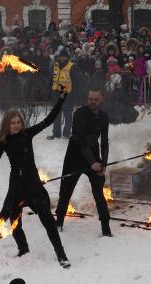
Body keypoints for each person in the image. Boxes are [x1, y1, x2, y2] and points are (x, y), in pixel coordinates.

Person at [0, 91, 71, 269]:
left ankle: (61, 254)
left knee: (48, 222)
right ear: (7, 124)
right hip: (16, 186)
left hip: (33, 184)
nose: (16, 125)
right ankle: (23, 249)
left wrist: (60, 101)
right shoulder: (4, 142)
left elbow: (48, 120)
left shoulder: (27, 134)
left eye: (18, 122)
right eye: (13, 122)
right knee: (15, 221)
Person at [55, 86, 111, 237]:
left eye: (96, 99)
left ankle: (106, 228)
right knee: (66, 190)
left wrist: (103, 163)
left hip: (93, 153)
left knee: (99, 192)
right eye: (90, 99)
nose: (93, 102)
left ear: (101, 99)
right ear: (87, 99)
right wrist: (92, 162)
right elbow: (80, 140)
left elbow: (104, 142)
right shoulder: (79, 113)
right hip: (74, 154)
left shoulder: (104, 117)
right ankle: (59, 222)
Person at [47, 49, 82, 140]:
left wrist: (75, 94)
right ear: (59, 57)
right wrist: (49, 93)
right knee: (56, 115)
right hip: (56, 94)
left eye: (64, 56)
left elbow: (77, 82)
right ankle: (56, 133)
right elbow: (51, 80)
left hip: (68, 94)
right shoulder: (55, 66)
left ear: (67, 57)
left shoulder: (72, 67)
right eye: (61, 56)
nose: (62, 58)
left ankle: (66, 133)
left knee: (68, 115)